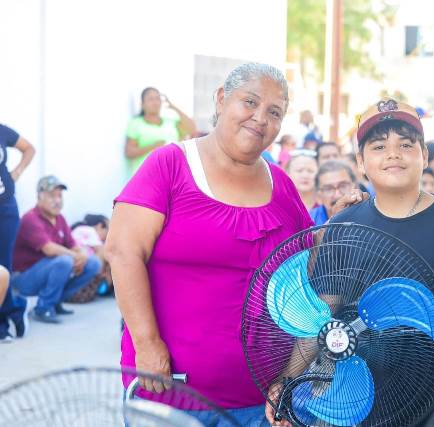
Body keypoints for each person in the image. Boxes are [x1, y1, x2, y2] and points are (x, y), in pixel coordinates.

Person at [106, 63, 364, 426]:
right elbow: (123, 252)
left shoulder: (281, 185)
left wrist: (335, 223)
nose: (260, 118)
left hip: (257, 399)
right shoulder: (170, 164)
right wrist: (146, 344)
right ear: (221, 99)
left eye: (274, 112)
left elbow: (303, 268)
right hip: (170, 391)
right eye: (250, 102)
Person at [288, 99, 434, 420]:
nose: (393, 154)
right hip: (359, 392)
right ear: (361, 161)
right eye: (379, 146)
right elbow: (322, 312)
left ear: (425, 155)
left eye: (406, 145)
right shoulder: (344, 224)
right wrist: (286, 379)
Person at [11, 176, 102, 323]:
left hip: (47, 270)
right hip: (23, 278)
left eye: (60, 196)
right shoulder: (30, 218)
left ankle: (55, 301)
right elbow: (49, 249)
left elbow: (72, 245)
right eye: (52, 196)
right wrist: (75, 256)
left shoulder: (60, 219)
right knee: (64, 261)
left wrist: (82, 255)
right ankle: (43, 307)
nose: (58, 200)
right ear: (39, 196)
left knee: (93, 263)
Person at [0, 124, 34, 341]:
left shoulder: (1, 130)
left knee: (3, 266)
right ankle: (17, 307)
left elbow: (29, 148)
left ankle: (2, 325)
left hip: (5, 208)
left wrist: (17, 172)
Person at [125, 87, 197, 177]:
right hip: (146, 176)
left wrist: (173, 107)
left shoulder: (170, 122)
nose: (155, 102)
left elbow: (192, 129)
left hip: (170, 177)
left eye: (157, 98)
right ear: (142, 104)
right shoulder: (136, 124)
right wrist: (153, 146)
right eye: (150, 99)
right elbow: (129, 152)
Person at [70, 214, 112, 299]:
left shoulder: (78, 231)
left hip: (76, 278)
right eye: (109, 230)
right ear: (100, 226)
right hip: (78, 278)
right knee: (110, 255)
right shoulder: (88, 230)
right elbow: (102, 252)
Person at [309, 160, 357, 225]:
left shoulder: (368, 215)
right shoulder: (309, 222)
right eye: (328, 189)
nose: (337, 195)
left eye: (343, 186)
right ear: (319, 196)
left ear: (354, 187)